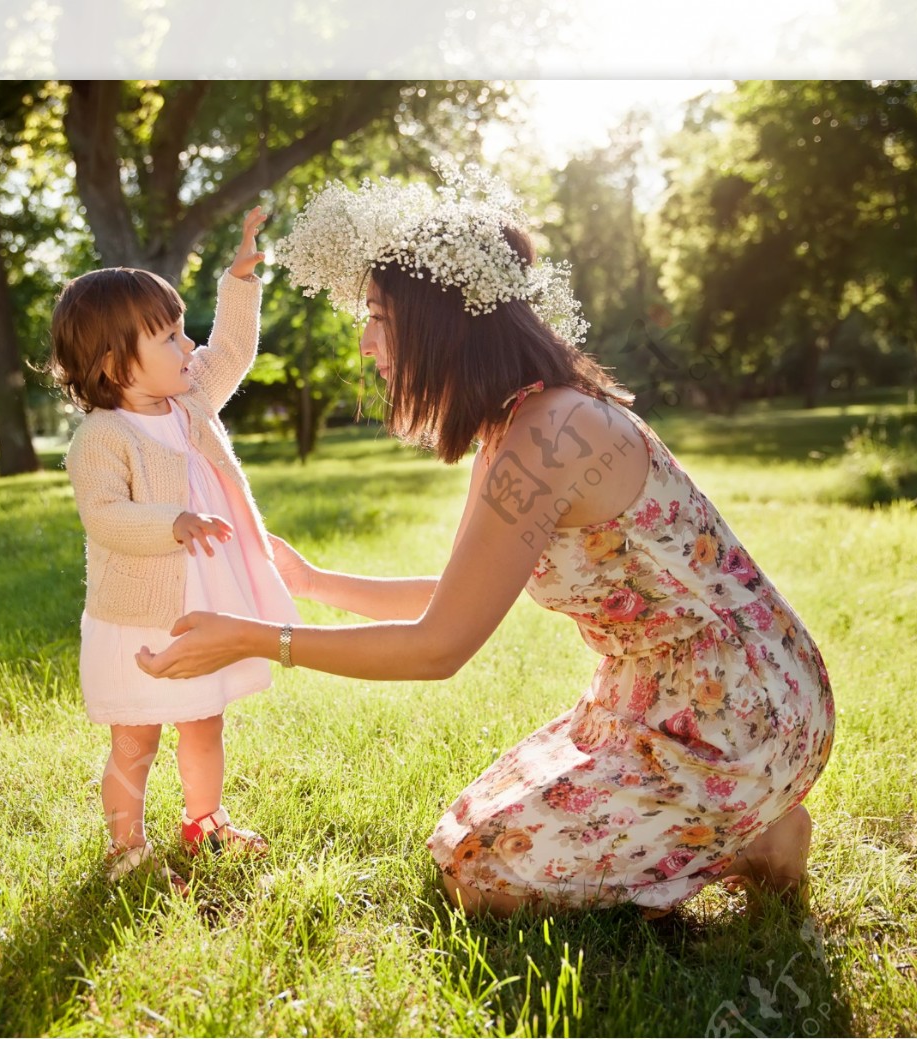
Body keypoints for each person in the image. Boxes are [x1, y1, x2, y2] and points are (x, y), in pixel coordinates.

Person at [136, 165, 835, 918]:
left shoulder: (553, 436)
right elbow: (459, 593)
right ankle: (730, 829)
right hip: (650, 698)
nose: (367, 341)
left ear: (443, 325)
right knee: (461, 839)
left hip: (741, 708)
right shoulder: (514, 426)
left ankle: (749, 832)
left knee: (482, 877)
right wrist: (313, 581)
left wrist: (253, 638)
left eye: (378, 317)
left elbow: (439, 647)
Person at [52, 206, 298, 894]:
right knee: (136, 736)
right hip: (137, 615)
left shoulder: (191, 401)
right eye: (167, 336)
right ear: (113, 363)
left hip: (200, 607)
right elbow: (105, 516)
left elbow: (231, 351)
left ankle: (205, 820)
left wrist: (240, 279)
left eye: (180, 329)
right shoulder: (103, 437)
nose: (187, 347)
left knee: (204, 718)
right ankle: (126, 845)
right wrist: (173, 521)